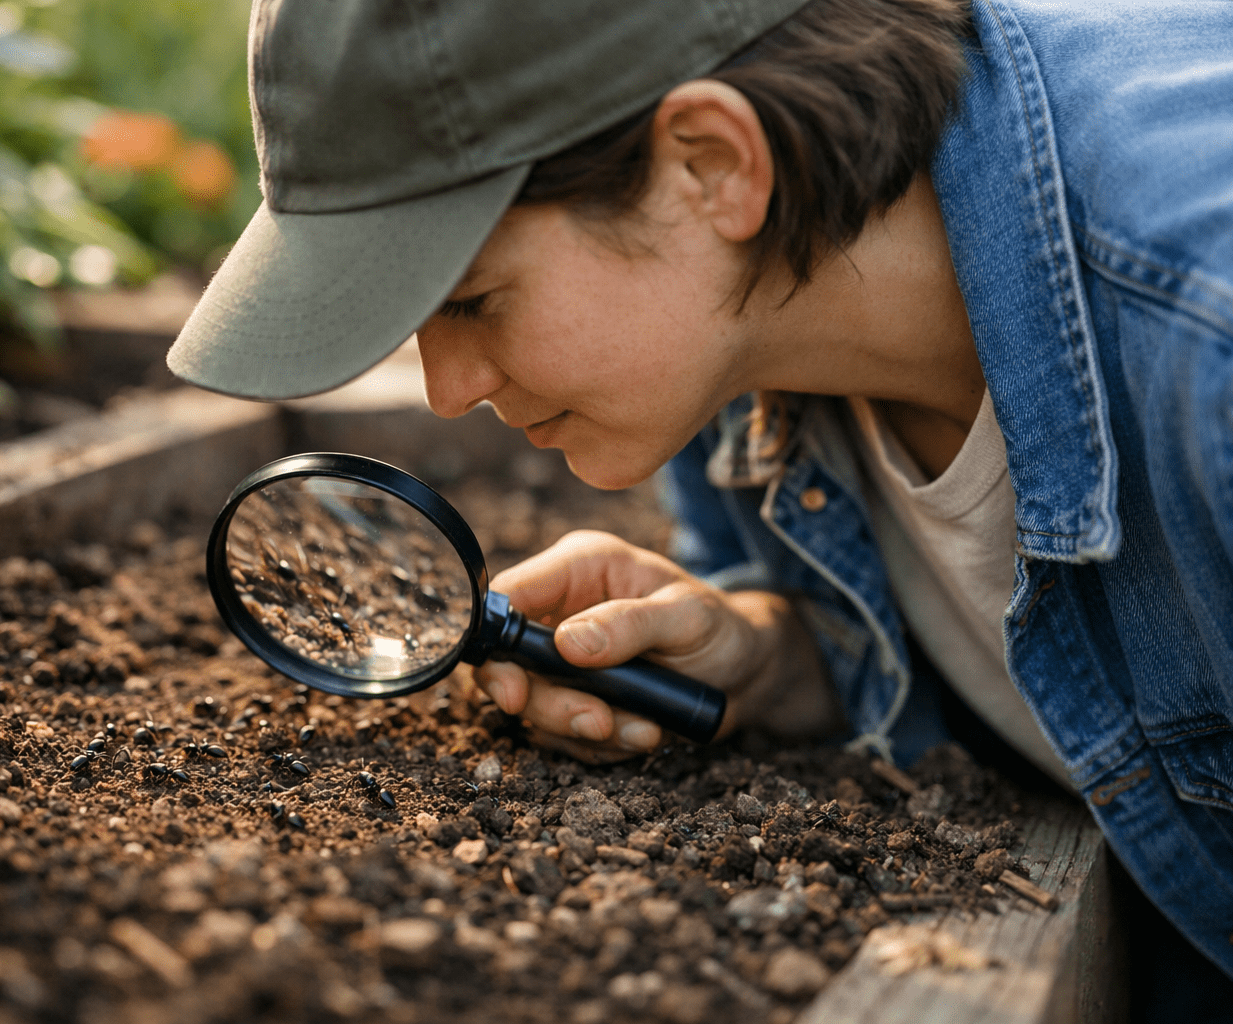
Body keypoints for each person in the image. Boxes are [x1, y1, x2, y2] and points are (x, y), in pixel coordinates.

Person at [164, 0, 1233, 999]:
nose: (449, 389)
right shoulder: (734, 314)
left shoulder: (1206, 341)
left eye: (474, 301)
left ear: (715, 165)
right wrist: (776, 656)